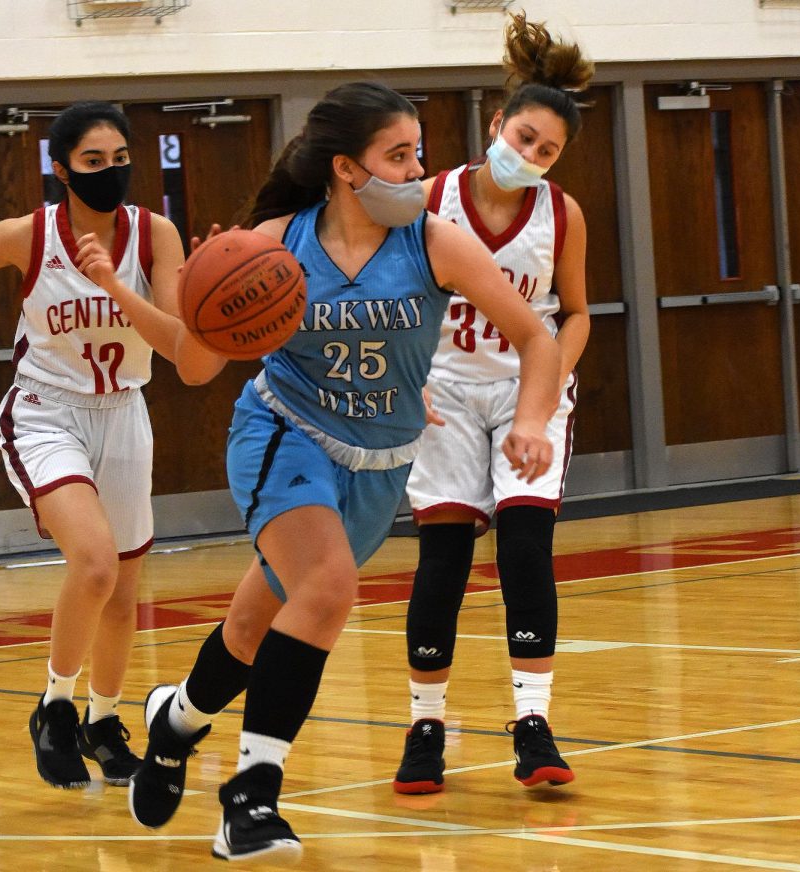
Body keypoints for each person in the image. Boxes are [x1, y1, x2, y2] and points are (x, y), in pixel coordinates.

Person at [126, 81, 560, 864]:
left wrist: (529, 420)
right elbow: (194, 367)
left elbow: (537, 338)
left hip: (381, 465)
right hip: (283, 436)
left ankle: (175, 724)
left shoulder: (436, 242)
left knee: (255, 627)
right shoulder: (272, 244)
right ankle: (251, 800)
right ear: (346, 169)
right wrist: (194, 296)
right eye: (398, 155)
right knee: (328, 589)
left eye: (418, 152)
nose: (417, 169)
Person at [392, 12, 594, 795]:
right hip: (439, 390)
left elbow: (573, 315)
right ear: (496, 122)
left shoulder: (561, 214)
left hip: (525, 388)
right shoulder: (425, 200)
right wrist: (404, 380)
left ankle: (533, 723)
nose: (533, 156)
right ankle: (425, 725)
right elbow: (393, 302)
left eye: (549, 151)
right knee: (442, 561)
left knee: (523, 549)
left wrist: (537, 412)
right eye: (526, 137)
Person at [0, 102, 216, 790]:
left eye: (121, 159)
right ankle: (55, 710)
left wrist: (115, 286)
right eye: (94, 162)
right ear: (60, 170)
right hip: (45, 411)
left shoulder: (155, 235)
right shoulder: (30, 235)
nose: (112, 172)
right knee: (92, 564)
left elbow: (178, 345)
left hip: (124, 409)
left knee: (122, 591)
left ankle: (103, 720)